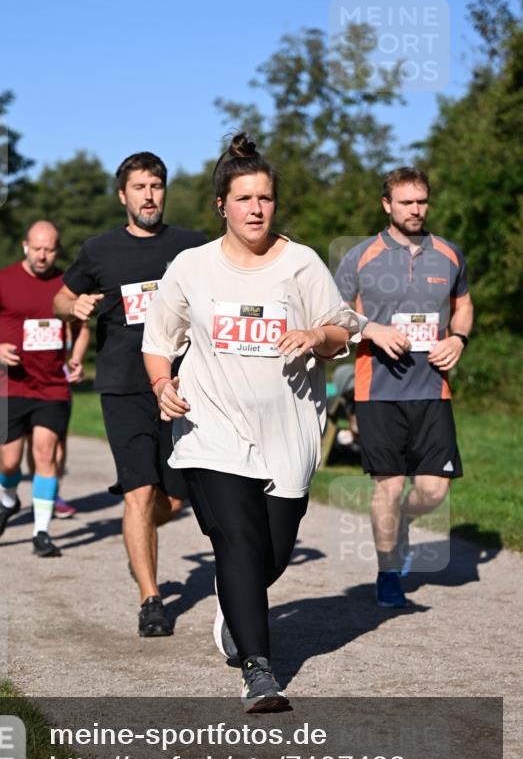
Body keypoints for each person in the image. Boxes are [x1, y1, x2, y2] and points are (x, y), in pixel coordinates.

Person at [142, 133, 363, 710]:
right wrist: (163, 385)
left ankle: (233, 604)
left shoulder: (301, 262)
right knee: (238, 541)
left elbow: (341, 331)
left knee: (271, 554)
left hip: (289, 431)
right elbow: (159, 343)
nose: (256, 209)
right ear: (222, 205)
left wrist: (318, 335)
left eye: (265, 198)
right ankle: (259, 671)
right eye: (244, 199)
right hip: (211, 428)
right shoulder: (190, 267)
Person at [53, 151, 206, 637]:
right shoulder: (99, 250)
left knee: (175, 501)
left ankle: (136, 543)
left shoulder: (191, 246)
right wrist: (72, 304)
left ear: (165, 191)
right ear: (123, 195)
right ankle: (151, 598)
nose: (149, 195)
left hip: (182, 385)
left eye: (156, 186)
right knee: (139, 491)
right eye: (139, 187)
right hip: (123, 385)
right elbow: (60, 295)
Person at [334, 167, 474, 609]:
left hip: (433, 390)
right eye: (407, 202)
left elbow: (464, 304)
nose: (416, 210)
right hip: (377, 390)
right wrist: (372, 330)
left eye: (422, 202)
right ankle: (388, 571)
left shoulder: (448, 254)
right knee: (390, 487)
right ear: (387, 205)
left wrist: (459, 338)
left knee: (434, 490)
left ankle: (404, 525)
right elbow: (332, 317)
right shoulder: (360, 256)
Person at [0, 221, 86, 556]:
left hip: (51, 385)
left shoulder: (67, 285)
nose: (43, 255)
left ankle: (41, 532)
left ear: (57, 250)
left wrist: (76, 358)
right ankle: (8, 500)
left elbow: (81, 329)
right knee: (9, 463)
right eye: (37, 248)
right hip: (10, 384)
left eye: (49, 249)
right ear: (25, 246)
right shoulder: (2, 280)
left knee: (45, 453)